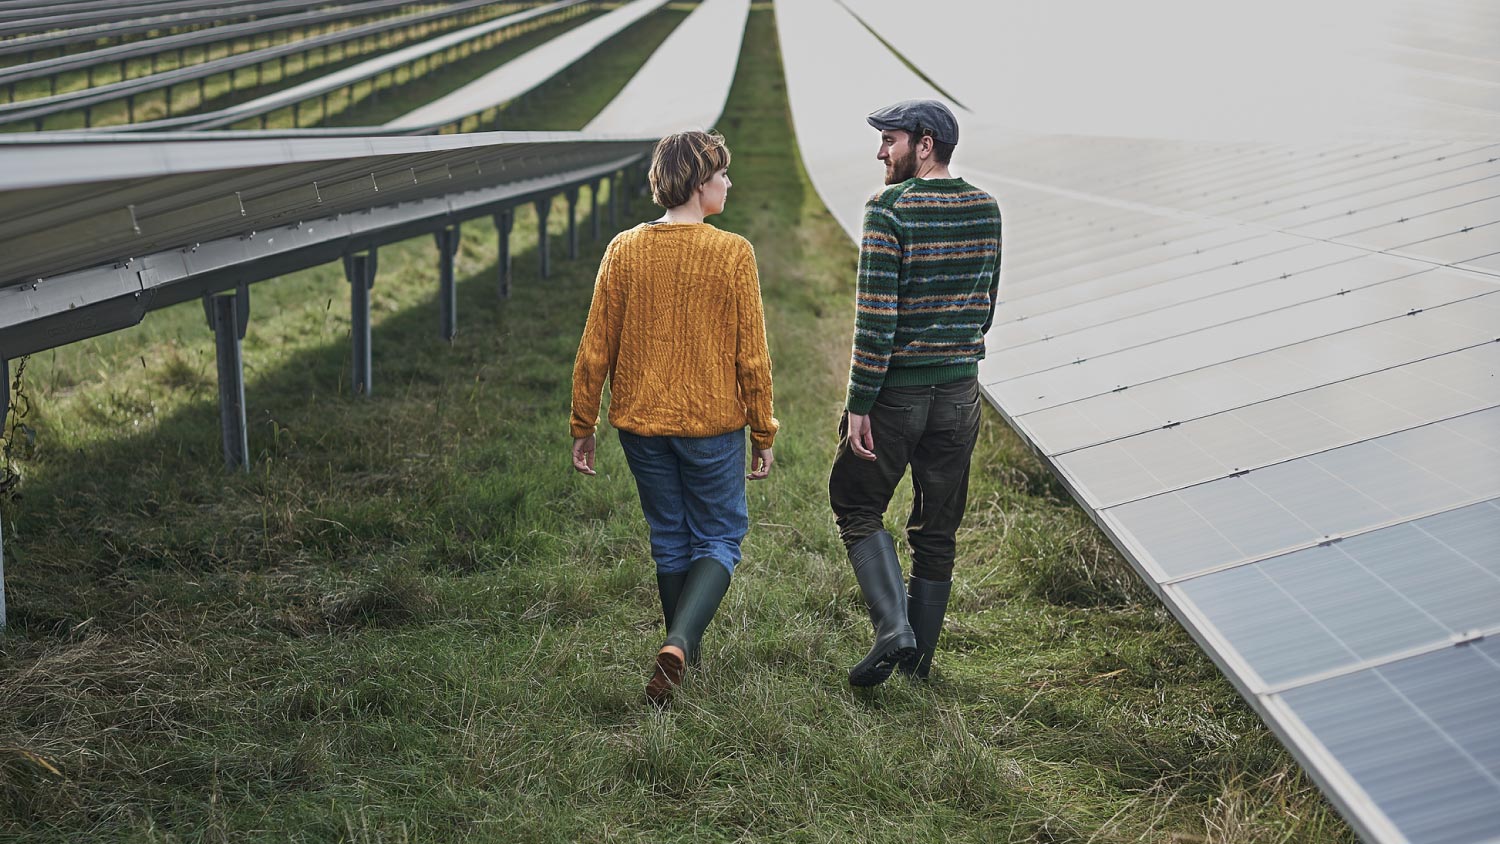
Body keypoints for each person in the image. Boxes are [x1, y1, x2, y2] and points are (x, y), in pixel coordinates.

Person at [570, 130, 778, 705]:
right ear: (697, 183)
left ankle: (681, 659)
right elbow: (752, 353)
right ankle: (682, 640)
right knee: (719, 536)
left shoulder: (623, 249)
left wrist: (583, 422)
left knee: (669, 537)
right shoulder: (733, 253)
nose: (728, 183)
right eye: (721, 176)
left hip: (640, 425)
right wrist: (763, 428)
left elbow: (595, 347)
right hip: (712, 425)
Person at [829, 100, 1002, 687]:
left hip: (898, 396)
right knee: (938, 530)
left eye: (890, 140)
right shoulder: (986, 208)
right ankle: (918, 670)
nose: (881, 151)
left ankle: (892, 631)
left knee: (856, 504)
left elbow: (875, 321)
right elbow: (987, 307)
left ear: (924, 145)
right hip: (960, 395)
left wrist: (860, 404)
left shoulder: (888, 209)